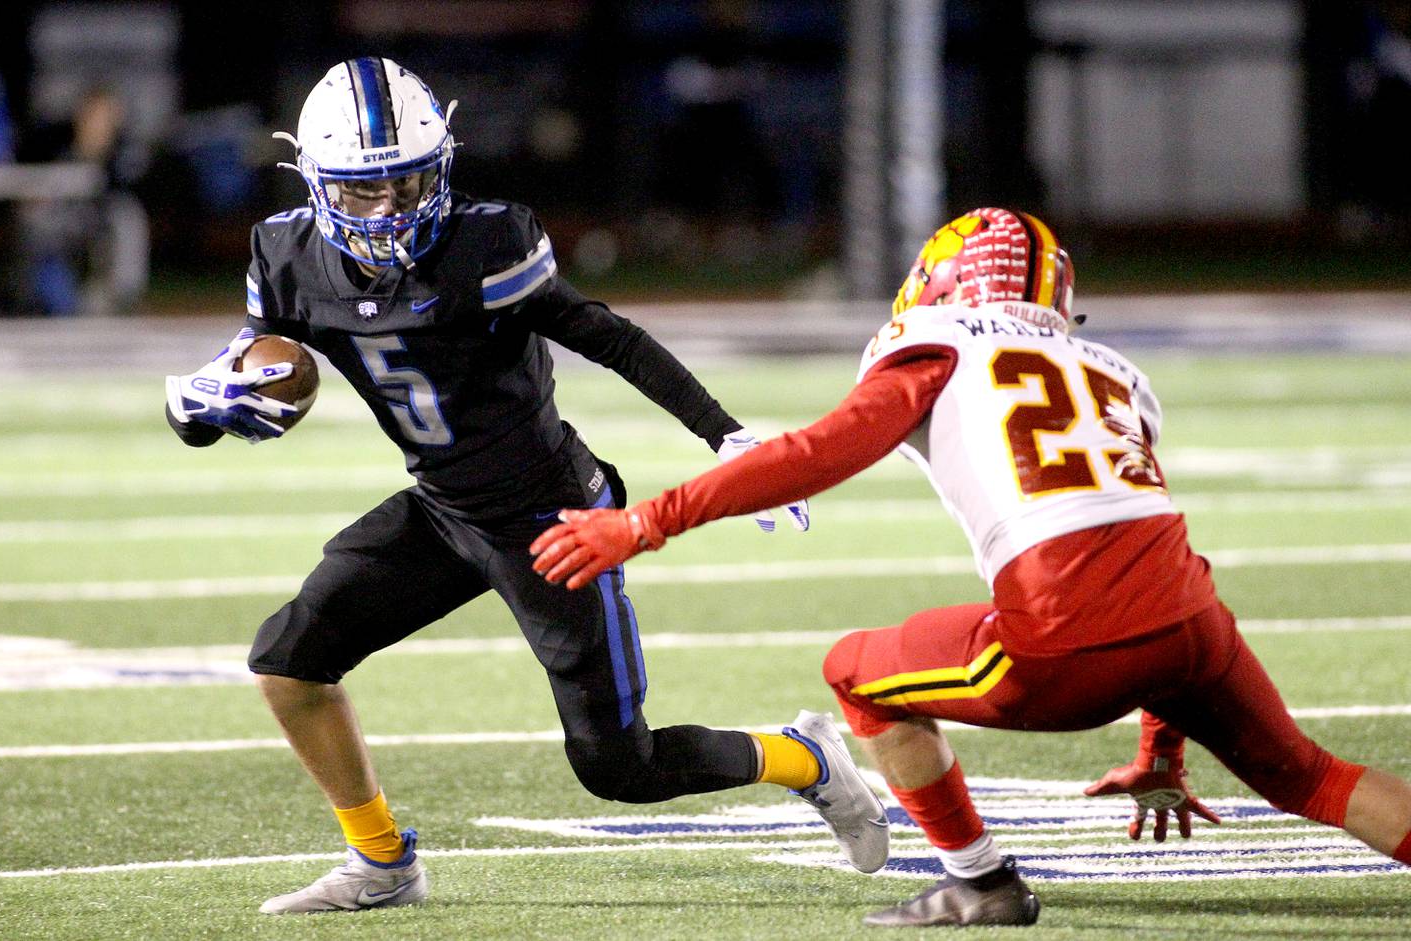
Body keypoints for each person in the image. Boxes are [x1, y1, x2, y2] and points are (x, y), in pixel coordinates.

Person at [530, 207, 1411, 928]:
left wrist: (645, 521)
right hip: (1192, 622)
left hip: (1068, 630)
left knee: (857, 674)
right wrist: (1161, 744)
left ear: (945, 278)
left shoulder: (940, 343)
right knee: (1311, 774)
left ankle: (981, 881)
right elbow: (1142, 544)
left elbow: (825, 448)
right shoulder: (1111, 371)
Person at [163, 57, 888, 915]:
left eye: (407, 184)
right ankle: (382, 860)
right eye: (366, 191)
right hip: (441, 507)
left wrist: (726, 436)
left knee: (620, 768)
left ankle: (805, 757)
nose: (391, 210)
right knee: (289, 661)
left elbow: (604, 335)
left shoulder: (487, 242)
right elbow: (253, 375)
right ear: (319, 183)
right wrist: (193, 406)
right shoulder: (284, 256)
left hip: (555, 516)